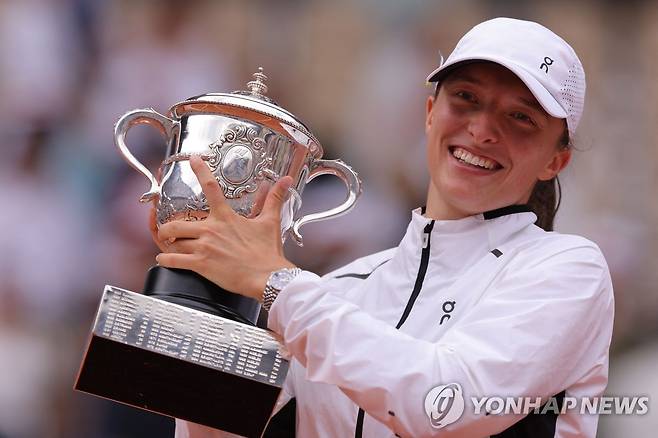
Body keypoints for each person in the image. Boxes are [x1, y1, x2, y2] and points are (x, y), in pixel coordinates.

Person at [154, 18, 614, 438]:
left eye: (520, 117)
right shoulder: (338, 291)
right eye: (466, 98)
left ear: (556, 160)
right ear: (430, 111)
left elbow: (445, 404)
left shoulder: (567, 269)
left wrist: (274, 282)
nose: (482, 130)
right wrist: (209, 289)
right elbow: (217, 425)